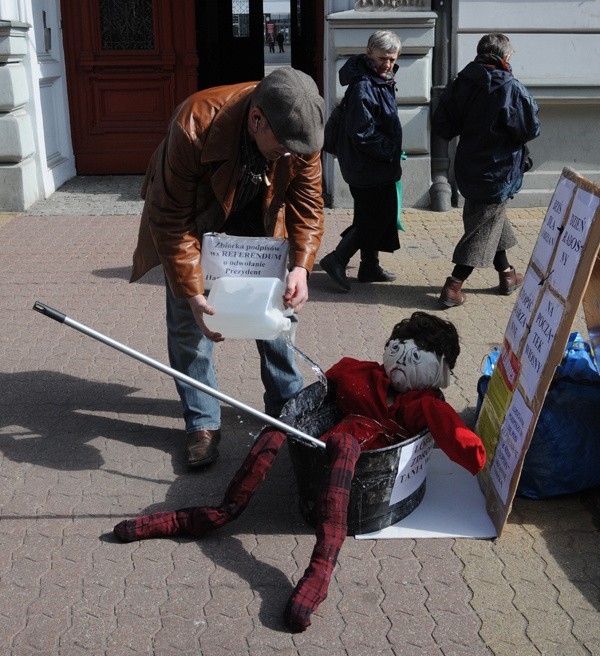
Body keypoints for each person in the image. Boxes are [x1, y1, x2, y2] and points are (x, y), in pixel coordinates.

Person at [113, 311, 486, 632]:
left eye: (417, 357)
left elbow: (456, 435)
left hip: (356, 457)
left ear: (438, 372)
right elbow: (323, 388)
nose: (402, 360)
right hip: (328, 438)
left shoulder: (424, 404)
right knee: (279, 427)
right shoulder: (360, 372)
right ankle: (217, 513)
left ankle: (321, 567)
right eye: (398, 347)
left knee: (344, 447)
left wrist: (485, 460)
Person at [129, 67, 325, 468]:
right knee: (191, 327)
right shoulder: (193, 124)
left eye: (298, 151)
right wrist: (193, 291)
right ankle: (202, 421)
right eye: (283, 147)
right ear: (256, 120)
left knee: (277, 320)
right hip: (195, 226)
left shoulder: (301, 134)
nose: (291, 155)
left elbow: (308, 204)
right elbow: (170, 218)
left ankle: (286, 409)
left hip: (259, 223)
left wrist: (302, 266)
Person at [431, 33, 541, 307]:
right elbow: (530, 129)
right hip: (498, 170)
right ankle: (453, 287)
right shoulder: (510, 87)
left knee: (490, 218)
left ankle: (507, 275)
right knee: (482, 227)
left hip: (468, 165)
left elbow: (443, 126)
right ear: (504, 56)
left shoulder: (462, 82)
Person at [320, 30, 403, 293]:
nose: (388, 64)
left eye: (392, 59)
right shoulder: (364, 85)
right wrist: (388, 149)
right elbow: (362, 132)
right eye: (383, 58)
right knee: (374, 218)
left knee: (370, 214)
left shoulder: (378, 79)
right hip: (368, 166)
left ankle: (369, 266)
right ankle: (337, 259)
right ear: (369, 52)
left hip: (370, 165)